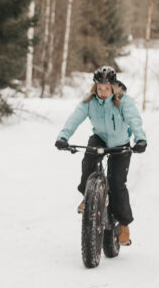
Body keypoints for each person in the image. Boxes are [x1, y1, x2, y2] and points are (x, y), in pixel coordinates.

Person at [54, 66, 147, 245]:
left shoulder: (123, 101)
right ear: (95, 87)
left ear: (113, 86)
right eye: (99, 88)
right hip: (101, 139)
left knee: (117, 183)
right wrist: (63, 137)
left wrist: (140, 139)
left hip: (120, 143)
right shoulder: (89, 101)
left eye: (106, 88)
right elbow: (74, 118)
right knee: (89, 158)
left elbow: (134, 120)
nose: (102, 92)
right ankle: (87, 196)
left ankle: (124, 224)